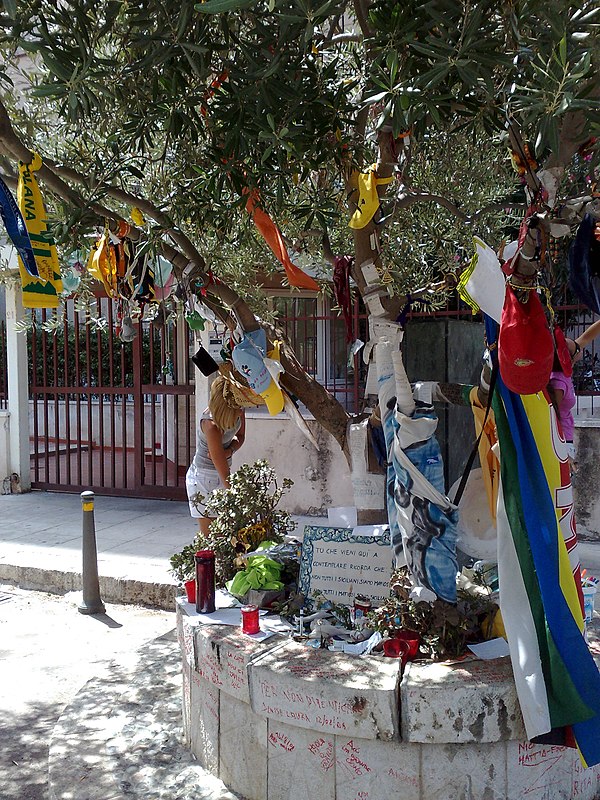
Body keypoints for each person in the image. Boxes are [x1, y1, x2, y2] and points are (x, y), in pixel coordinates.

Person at [186, 370, 256, 535]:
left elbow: (241, 437)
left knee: (227, 534)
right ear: (226, 408)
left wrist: (229, 450)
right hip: (203, 478)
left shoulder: (239, 411)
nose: (241, 411)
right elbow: (220, 465)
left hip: (221, 472)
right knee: (210, 537)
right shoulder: (210, 424)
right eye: (238, 407)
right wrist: (236, 494)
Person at [547, 318, 600, 466]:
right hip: (560, 441)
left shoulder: (563, 369)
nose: (579, 345)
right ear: (568, 359)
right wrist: (563, 452)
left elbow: (587, 337)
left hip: (566, 438)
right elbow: (552, 417)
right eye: (576, 348)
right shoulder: (558, 383)